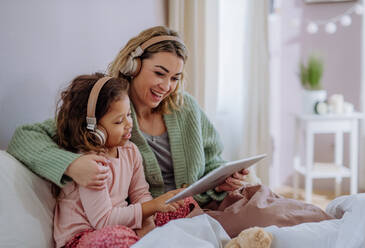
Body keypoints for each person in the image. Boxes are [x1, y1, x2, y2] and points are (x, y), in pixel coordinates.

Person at [7, 26, 250, 207]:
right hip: (156, 219)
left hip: (203, 207)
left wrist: (223, 179)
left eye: (175, 78)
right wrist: (72, 165)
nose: (167, 86)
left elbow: (212, 160)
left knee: (264, 200)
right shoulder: (105, 110)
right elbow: (25, 137)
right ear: (133, 65)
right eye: (159, 73)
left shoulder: (187, 108)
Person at [52, 73, 187, 248]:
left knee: (183, 203)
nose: (129, 124)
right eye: (118, 121)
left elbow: (140, 194)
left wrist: (148, 226)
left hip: (121, 224)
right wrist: (151, 208)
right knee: (119, 237)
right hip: (84, 237)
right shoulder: (90, 164)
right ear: (93, 128)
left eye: (129, 114)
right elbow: (103, 220)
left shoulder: (130, 151)